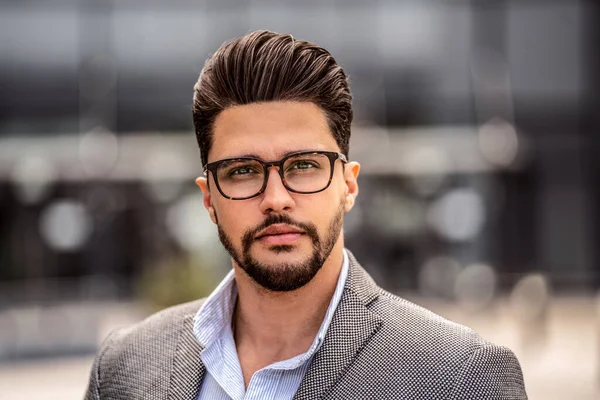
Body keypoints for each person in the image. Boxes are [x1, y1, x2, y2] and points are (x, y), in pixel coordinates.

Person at [84, 30, 527, 400]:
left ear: (348, 185)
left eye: (303, 166)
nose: (276, 198)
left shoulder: (461, 378)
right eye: (242, 171)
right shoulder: (124, 370)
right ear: (208, 199)